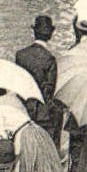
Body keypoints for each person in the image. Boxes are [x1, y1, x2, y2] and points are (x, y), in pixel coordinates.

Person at [15, 15, 62, 146]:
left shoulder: (20, 55)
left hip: (24, 110)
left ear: (34, 32)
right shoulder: (50, 58)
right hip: (42, 115)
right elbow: (49, 90)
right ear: (51, 34)